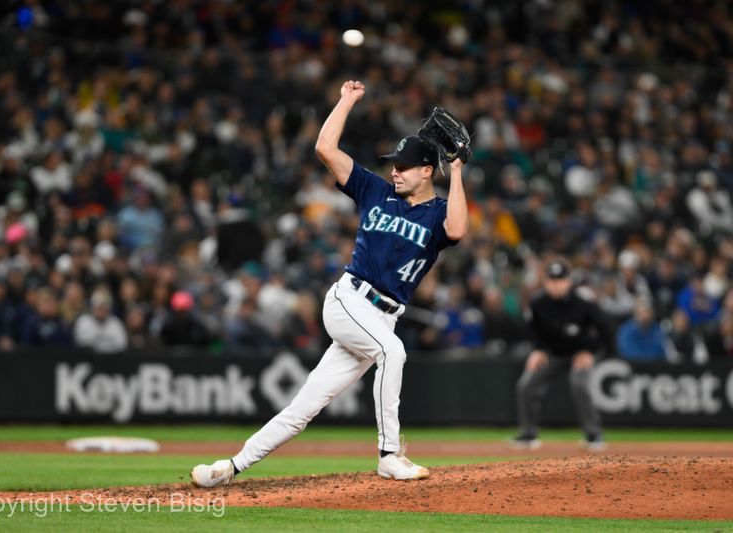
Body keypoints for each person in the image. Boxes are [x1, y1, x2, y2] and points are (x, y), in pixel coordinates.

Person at [190, 80, 469, 486]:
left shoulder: (439, 211)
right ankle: (390, 454)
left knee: (304, 408)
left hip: (382, 316)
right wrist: (346, 101)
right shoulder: (376, 190)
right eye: (393, 163)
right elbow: (325, 149)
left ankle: (231, 467)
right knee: (393, 353)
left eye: (403, 165)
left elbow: (458, 230)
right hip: (349, 300)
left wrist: (457, 171)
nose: (394, 170)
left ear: (428, 171)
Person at [511, 258, 614, 452]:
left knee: (579, 384)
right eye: (552, 280)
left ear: (569, 281)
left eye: (560, 280)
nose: (556, 284)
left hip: (578, 355)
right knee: (525, 385)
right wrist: (537, 350)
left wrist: (591, 353)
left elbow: (607, 330)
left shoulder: (583, 303)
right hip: (552, 355)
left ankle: (593, 435)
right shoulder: (537, 303)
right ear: (545, 281)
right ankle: (528, 434)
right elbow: (532, 331)